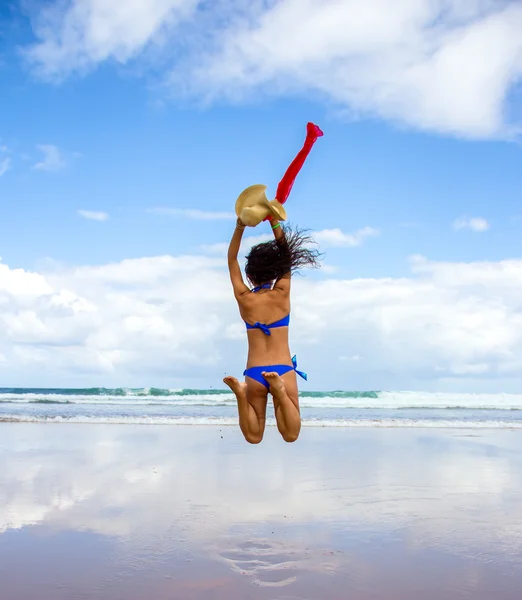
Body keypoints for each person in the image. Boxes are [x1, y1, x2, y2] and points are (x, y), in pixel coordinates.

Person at [224, 216, 321, 444]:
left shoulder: (244, 298)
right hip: (283, 369)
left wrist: (240, 226)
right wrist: (274, 222)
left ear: (249, 276)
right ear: (276, 271)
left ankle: (240, 392)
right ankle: (278, 390)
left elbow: (231, 259)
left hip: (254, 372)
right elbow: (286, 254)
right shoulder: (282, 292)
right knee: (290, 434)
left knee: (253, 436)